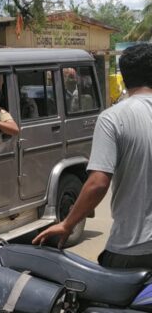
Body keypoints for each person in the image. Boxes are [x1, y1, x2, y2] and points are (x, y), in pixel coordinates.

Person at [33, 43, 152, 269]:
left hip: (133, 249)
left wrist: (67, 224)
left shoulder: (112, 118)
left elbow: (97, 183)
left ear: (124, 79)